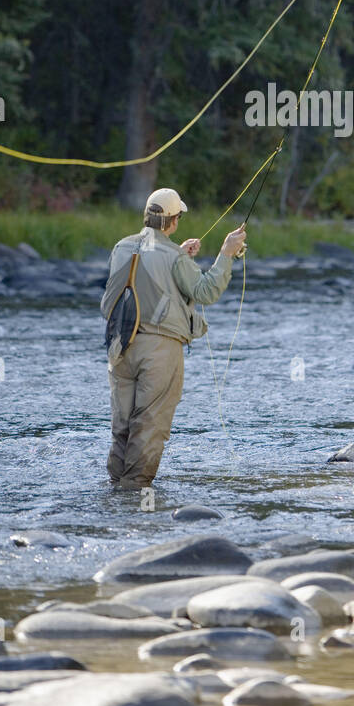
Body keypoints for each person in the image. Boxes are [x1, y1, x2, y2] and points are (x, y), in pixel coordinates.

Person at [100, 187, 246, 489]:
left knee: (123, 426)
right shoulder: (174, 257)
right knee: (149, 426)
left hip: (119, 347)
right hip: (159, 350)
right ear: (173, 221)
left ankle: (114, 493)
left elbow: (145, 272)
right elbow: (206, 292)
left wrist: (178, 253)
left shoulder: (122, 247)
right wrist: (226, 254)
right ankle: (135, 498)